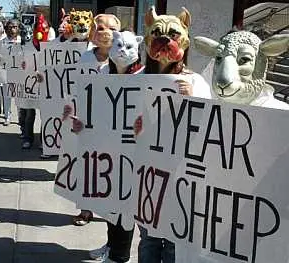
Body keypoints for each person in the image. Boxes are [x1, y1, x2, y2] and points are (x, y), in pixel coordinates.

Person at [135, 7, 212, 263]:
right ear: (147, 39)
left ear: (184, 41)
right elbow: (111, 121)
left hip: (180, 177)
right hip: (145, 176)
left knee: (174, 244)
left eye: (172, 35)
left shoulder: (197, 83)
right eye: (156, 34)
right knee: (148, 240)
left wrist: (193, 102)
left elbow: (211, 130)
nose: (165, 40)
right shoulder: (135, 79)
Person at [72, 14, 121, 227]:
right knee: (86, 166)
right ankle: (85, 210)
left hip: (114, 125)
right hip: (87, 123)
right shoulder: (84, 58)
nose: (105, 33)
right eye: (100, 28)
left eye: (111, 28)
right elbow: (74, 89)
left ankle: (111, 210)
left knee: (111, 167)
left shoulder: (123, 58)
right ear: (93, 32)